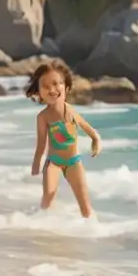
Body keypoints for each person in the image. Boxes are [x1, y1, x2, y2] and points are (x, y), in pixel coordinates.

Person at [26, 60, 101, 217]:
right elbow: (41, 144)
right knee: (48, 199)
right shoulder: (43, 117)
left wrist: (96, 140)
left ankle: (93, 231)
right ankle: (40, 227)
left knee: (85, 206)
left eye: (56, 84)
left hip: (74, 162)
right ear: (39, 93)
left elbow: (87, 127)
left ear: (66, 87)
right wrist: (35, 165)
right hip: (53, 163)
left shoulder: (71, 111)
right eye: (46, 87)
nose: (52, 89)